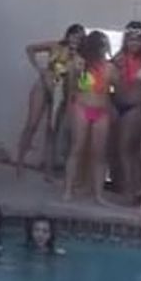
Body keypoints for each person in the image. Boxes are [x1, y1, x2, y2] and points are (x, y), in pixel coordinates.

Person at [15, 24, 85, 178]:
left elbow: (83, 83)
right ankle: (19, 162)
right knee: (31, 124)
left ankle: (48, 169)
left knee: (52, 130)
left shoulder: (80, 58)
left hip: (61, 93)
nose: (76, 40)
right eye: (74, 35)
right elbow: (30, 48)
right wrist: (39, 68)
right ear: (68, 35)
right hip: (43, 86)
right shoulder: (55, 46)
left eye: (80, 38)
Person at [64, 30, 116, 206]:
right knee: (76, 149)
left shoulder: (110, 67)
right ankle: (68, 190)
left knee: (99, 154)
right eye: (102, 45)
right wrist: (69, 109)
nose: (104, 48)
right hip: (82, 107)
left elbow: (115, 90)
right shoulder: (80, 64)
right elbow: (72, 88)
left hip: (102, 111)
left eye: (105, 45)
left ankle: (98, 194)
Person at [112, 21, 141, 203]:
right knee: (124, 150)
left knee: (129, 150)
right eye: (131, 40)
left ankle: (132, 191)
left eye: (138, 40)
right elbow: (108, 83)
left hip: (135, 108)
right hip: (118, 106)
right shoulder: (119, 58)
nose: (134, 43)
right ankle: (131, 188)